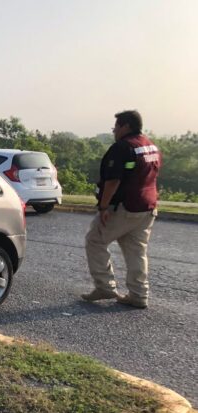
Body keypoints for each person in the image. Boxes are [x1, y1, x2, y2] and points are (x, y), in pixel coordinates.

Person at [81, 110, 161, 308]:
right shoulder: (150, 145)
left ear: (126, 126)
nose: (114, 130)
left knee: (95, 240)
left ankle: (105, 286)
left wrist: (103, 207)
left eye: (116, 126)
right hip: (147, 206)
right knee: (136, 251)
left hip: (124, 206)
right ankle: (139, 294)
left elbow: (113, 181)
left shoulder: (123, 147)